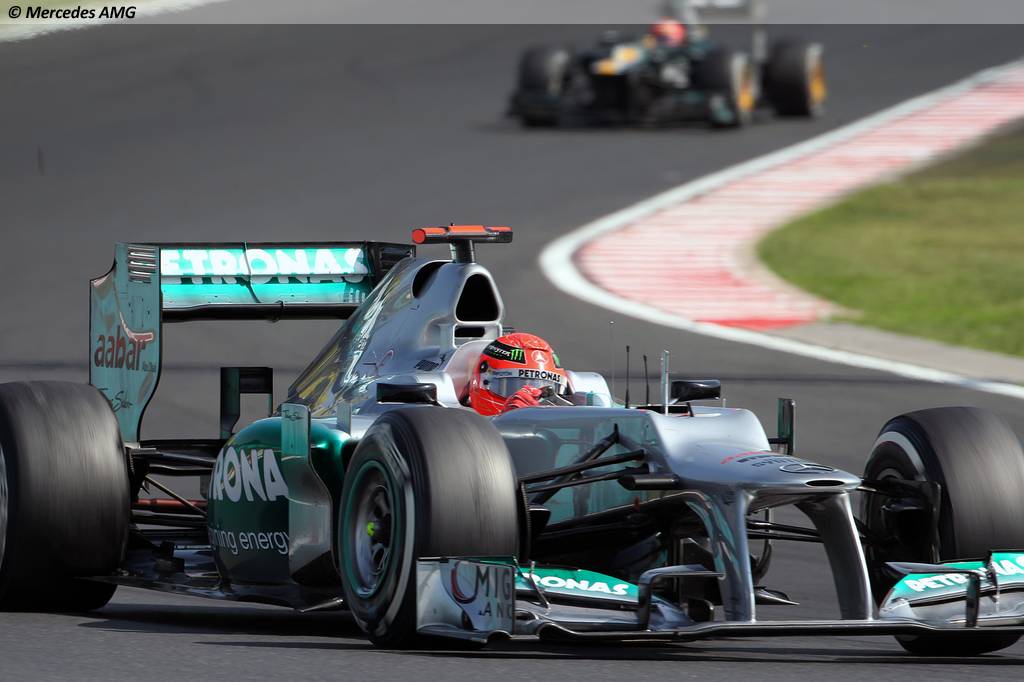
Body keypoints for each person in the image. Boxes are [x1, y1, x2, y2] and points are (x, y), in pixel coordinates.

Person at [468, 333, 567, 416]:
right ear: (483, 380)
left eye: (544, 394)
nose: (531, 404)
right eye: (512, 386)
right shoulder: (462, 425)